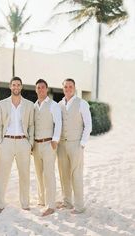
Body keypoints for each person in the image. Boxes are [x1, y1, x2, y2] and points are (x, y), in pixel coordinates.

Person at [0, 76, 34, 213]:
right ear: (10, 87)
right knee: (2, 174)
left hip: (24, 142)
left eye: (18, 85)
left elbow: (31, 125)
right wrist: (0, 142)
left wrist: (30, 143)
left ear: (21, 87)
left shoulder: (29, 104)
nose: (16, 87)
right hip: (7, 142)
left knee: (24, 174)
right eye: (14, 85)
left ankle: (25, 203)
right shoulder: (2, 104)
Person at [57, 78, 92, 214]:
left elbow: (88, 125)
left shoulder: (82, 103)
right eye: (66, 86)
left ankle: (79, 206)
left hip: (76, 144)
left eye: (70, 86)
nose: (68, 89)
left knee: (76, 174)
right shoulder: (59, 104)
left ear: (74, 87)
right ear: (63, 88)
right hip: (61, 144)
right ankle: (67, 202)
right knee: (63, 173)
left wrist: (82, 144)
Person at [33, 79, 62, 216]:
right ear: (36, 89)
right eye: (38, 87)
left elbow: (59, 124)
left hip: (48, 143)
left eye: (43, 87)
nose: (40, 89)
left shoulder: (53, 105)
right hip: (36, 145)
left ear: (47, 89)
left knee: (49, 174)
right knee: (39, 174)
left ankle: (51, 205)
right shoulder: (34, 105)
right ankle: (42, 200)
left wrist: (55, 141)